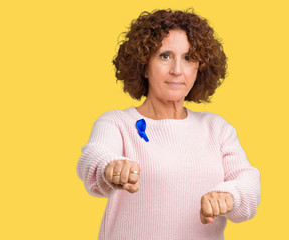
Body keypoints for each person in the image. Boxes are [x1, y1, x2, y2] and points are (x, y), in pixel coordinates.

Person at [76, 9, 261, 240]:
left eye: (188, 58)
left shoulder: (217, 129)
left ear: (199, 68)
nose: (177, 70)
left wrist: (229, 195)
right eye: (165, 56)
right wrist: (110, 166)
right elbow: (94, 157)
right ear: (144, 64)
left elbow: (249, 183)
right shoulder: (118, 123)